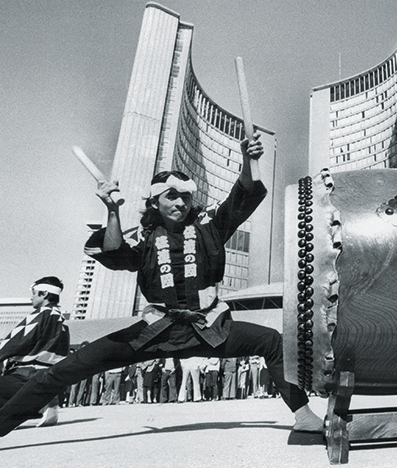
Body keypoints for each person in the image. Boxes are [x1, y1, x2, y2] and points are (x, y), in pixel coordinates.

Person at [0, 130, 322, 436]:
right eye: (172, 196)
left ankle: (304, 415)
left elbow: (242, 196)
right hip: (155, 331)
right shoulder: (145, 238)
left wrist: (246, 161)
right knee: (63, 371)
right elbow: (113, 253)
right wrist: (112, 211)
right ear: (155, 202)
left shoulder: (210, 225)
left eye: (185, 197)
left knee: (271, 341)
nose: (181, 203)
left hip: (210, 327)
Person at [0, 277, 70, 427]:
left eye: (34, 293)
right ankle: (33, 405)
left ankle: (41, 401)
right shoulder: (61, 320)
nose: (31, 297)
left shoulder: (42, 313)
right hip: (49, 376)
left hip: (27, 375)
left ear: (44, 293)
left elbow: (16, 340)